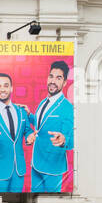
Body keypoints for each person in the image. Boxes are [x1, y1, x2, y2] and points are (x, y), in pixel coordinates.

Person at [25, 61, 74, 193]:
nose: (53, 81)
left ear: (64, 83)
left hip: (53, 166)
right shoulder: (43, 102)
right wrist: (29, 115)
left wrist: (63, 140)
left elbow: (70, 139)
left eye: (58, 78)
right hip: (36, 162)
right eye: (51, 76)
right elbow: (41, 126)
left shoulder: (67, 108)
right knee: (34, 201)